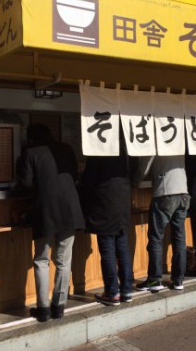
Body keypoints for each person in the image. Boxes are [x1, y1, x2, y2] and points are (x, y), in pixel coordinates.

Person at [18, 123, 85, 322]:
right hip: (70, 210)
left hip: (46, 211)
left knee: (41, 260)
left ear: (31, 138)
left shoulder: (30, 152)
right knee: (63, 261)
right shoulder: (65, 149)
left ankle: (44, 308)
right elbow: (74, 175)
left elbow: (26, 183)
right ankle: (59, 306)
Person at [81, 141, 133, 306]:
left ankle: (112, 292)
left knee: (108, 250)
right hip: (123, 203)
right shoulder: (127, 150)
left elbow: (87, 181)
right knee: (123, 248)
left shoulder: (98, 151)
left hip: (104, 204)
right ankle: (126, 290)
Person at [133, 155, 190, 292]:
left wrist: (133, 182)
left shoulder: (157, 140)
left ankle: (154, 279)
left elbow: (144, 167)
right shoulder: (178, 139)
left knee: (156, 238)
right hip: (183, 192)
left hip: (165, 192)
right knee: (179, 239)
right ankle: (178, 280)